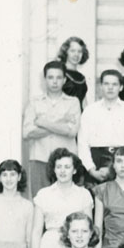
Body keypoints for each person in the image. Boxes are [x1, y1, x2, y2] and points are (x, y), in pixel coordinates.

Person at [31, 148, 95, 248]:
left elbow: (90, 230)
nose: (62, 171)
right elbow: (36, 232)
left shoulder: (84, 194)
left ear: (74, 170)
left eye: (67, 167)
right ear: (54, 169)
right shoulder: (43, 194)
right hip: (49, 246)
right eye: (59, 167)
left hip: (77, 245)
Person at [22, 60, 81, 194]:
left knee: (67, 200)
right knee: (40, 199)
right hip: (39, 159)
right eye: (50, 77)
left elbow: (72, 131)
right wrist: (61, 122)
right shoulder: (34, 102)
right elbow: (27, 133)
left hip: (66, 162)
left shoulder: (73, 102)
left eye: (59, 77)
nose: (55, 81)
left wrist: (43, 122)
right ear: (44, 80)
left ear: (64, 80)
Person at [78, 70, 124, 183]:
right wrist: (91, 169)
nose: (110, 88)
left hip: (122, 163)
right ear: (100, 86)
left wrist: (114, 168)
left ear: (121, 87)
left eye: (114, 84)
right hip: (95, 163)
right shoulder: (89, 111)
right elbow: (82, 143)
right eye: (106, 84)